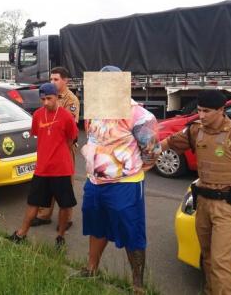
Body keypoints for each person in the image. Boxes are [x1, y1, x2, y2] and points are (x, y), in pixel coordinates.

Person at [161, 90, 231, 295]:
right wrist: (145, 151)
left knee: (221, 260)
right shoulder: (195, 130)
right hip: (203, 202)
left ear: (221, 110)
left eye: (207, 111)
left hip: (227, 205)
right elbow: (168, 143)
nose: (202, 115)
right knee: (206, 255)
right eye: (199, 110)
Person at [80, 66, 160, 294]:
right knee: (96, 227)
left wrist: (135, 167)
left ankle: (138, 286)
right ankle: (91, 269)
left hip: (125, 186)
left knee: (131, 232)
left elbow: (152, 150)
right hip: (95, 183)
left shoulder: (138, 115)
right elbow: (93, 138)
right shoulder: (94, 110)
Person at [8, 83, 78, 248]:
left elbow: (72, 139)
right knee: (33, 203)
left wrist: (60, 154)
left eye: (49, 98)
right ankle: (21, 233)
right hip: (42, 169)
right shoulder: (38, 115)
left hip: (61, 169)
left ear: (56, 97)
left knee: (65, 205)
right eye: (43, 99)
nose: (45, 102)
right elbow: (39, 135)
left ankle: (60, 236)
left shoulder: (66, 116)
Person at [31, 66, 80, 231]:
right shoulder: (48, 97)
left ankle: (66, 219)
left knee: (65, 184)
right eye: (51, 79)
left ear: (65, 81)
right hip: (50, 146)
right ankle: (44, 215)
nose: (52, 81)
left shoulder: (70, 100)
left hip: (65, 146)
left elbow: (70, 129)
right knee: (48, 181)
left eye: (56, 79)